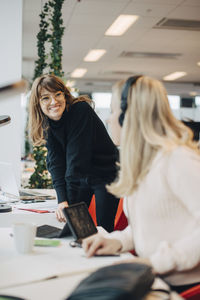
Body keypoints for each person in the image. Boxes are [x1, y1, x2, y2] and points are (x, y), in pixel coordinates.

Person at [82, 75, 200, 293]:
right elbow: (145, 229)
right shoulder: (145, 163)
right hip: (155, 278)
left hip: (182, 288)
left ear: (129, 116)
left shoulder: (177, 160)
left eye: (113, 110)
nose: (109, 119)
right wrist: (117, 242)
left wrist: (153, 263)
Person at [28, 74, 119, 232]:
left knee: (104, 229)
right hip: (81, 175)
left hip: (106, 174)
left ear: (65, 94)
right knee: (74, 227)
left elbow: (76, 158)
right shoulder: (47, 123)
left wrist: (66, 202)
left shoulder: (80, 110)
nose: (54, 102)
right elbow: (55, 163)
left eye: (58, 94)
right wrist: (62, 200)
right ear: (38, 103)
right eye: (45, 98)